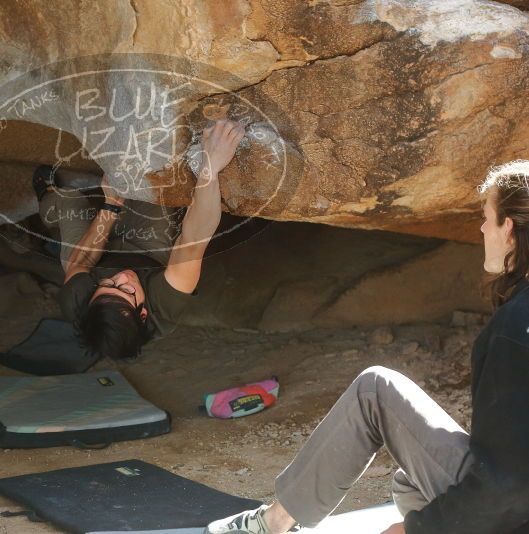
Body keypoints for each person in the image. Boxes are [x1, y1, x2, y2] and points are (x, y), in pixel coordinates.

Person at [205, 160, 529, 534]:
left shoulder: (515, 328)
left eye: (486, 217)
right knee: (410, 483)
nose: (482, 228)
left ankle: (274, 523)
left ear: (508, 228)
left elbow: (511, 486)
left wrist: (417, 530)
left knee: (374, 390)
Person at [37, 120, 246, 360]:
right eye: (126, 290)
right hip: (148, 255)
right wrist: (211, 165)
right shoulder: (165, 303)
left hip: (90, 260)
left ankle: (48, 197)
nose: (122, 277)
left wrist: (111, 205)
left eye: (108, 284)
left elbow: (81, 262)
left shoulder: (78, 299)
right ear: (143, 313)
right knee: (156, 187)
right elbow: (194, 240)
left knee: (69, 200)